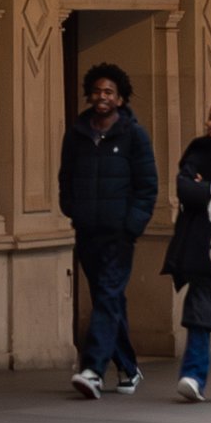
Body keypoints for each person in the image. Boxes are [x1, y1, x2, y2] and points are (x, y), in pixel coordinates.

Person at [60, 62, 157, 397]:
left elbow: (148, 185)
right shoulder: (77, 133)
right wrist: (71, 209)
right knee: (108, 297)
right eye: (98, 91)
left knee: (108, 295)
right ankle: (129, 369)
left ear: (120, 98)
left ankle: (93, 369)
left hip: (119, 233)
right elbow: (66, 176)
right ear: (90, 94)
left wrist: (132, 225)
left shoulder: (134, 135)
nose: (102, 97)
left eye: (109, 92)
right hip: (87, 229)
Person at [161, 98, 211, 403]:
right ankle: (193, 375)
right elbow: (183, 187)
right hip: (200, 246)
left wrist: (206, 187)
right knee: (198, 312)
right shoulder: (196, 148)